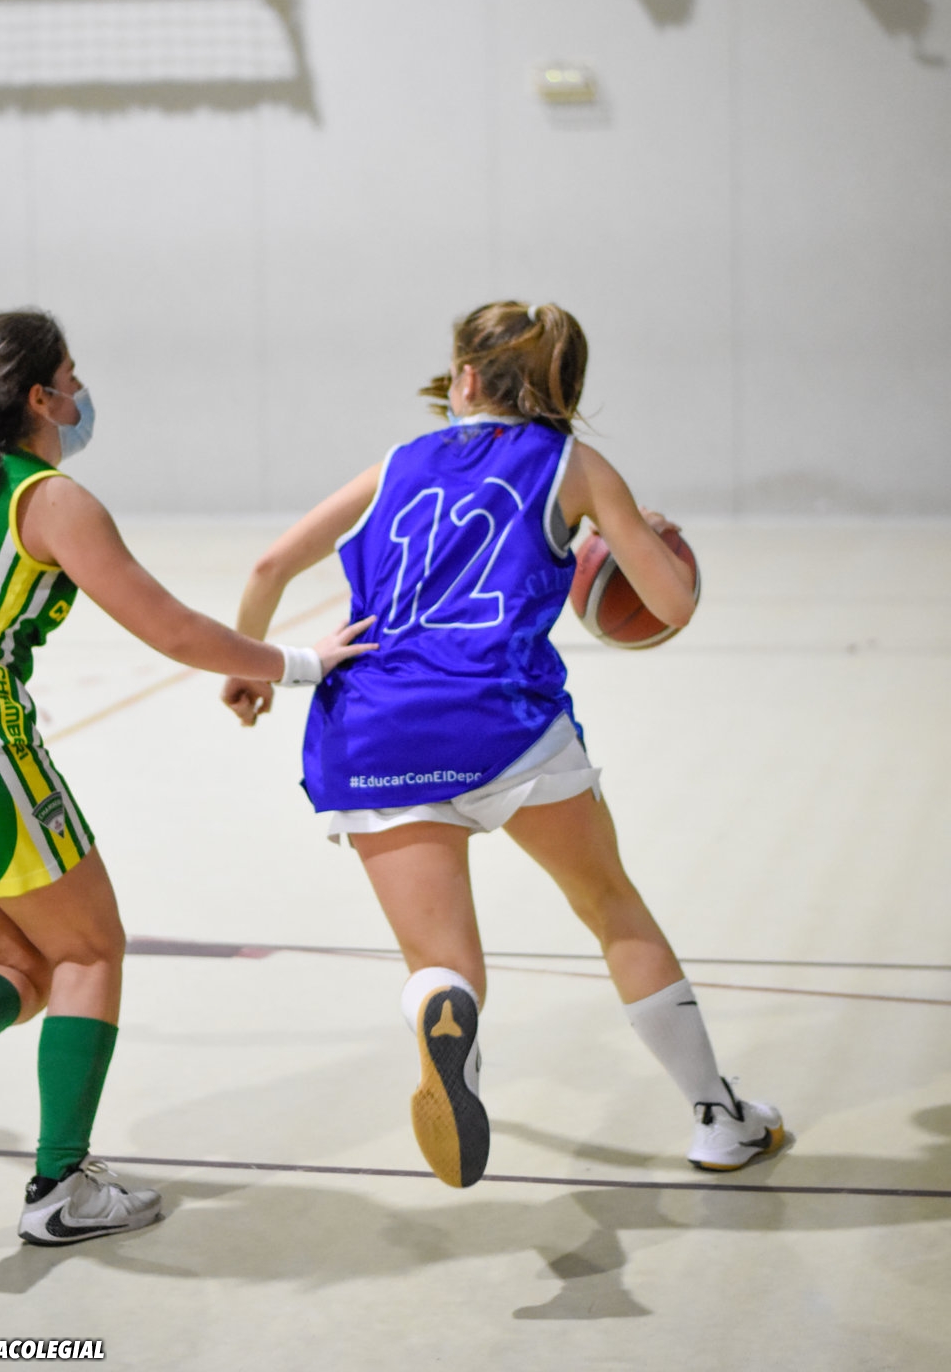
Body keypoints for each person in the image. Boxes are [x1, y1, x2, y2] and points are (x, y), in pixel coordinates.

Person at [222, 300, 784, 1188]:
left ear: (466, 379)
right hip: (505, 726)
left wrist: (252, 668)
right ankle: (719, 1119)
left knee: (444, 966)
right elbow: (670, 604)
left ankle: (444, 1013)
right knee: (610, 905)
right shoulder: (574, 464)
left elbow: (268, 567)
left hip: (373, 724)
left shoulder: (396, 463)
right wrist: (643, 540)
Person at [0, 308, 373, 1243]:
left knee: (18, 967)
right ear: (41, 397)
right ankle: (59, 1187)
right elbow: (170, 628)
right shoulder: (47, 499)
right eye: (72, 377)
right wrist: (295, 663)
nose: (83, 394)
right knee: (88, 951)